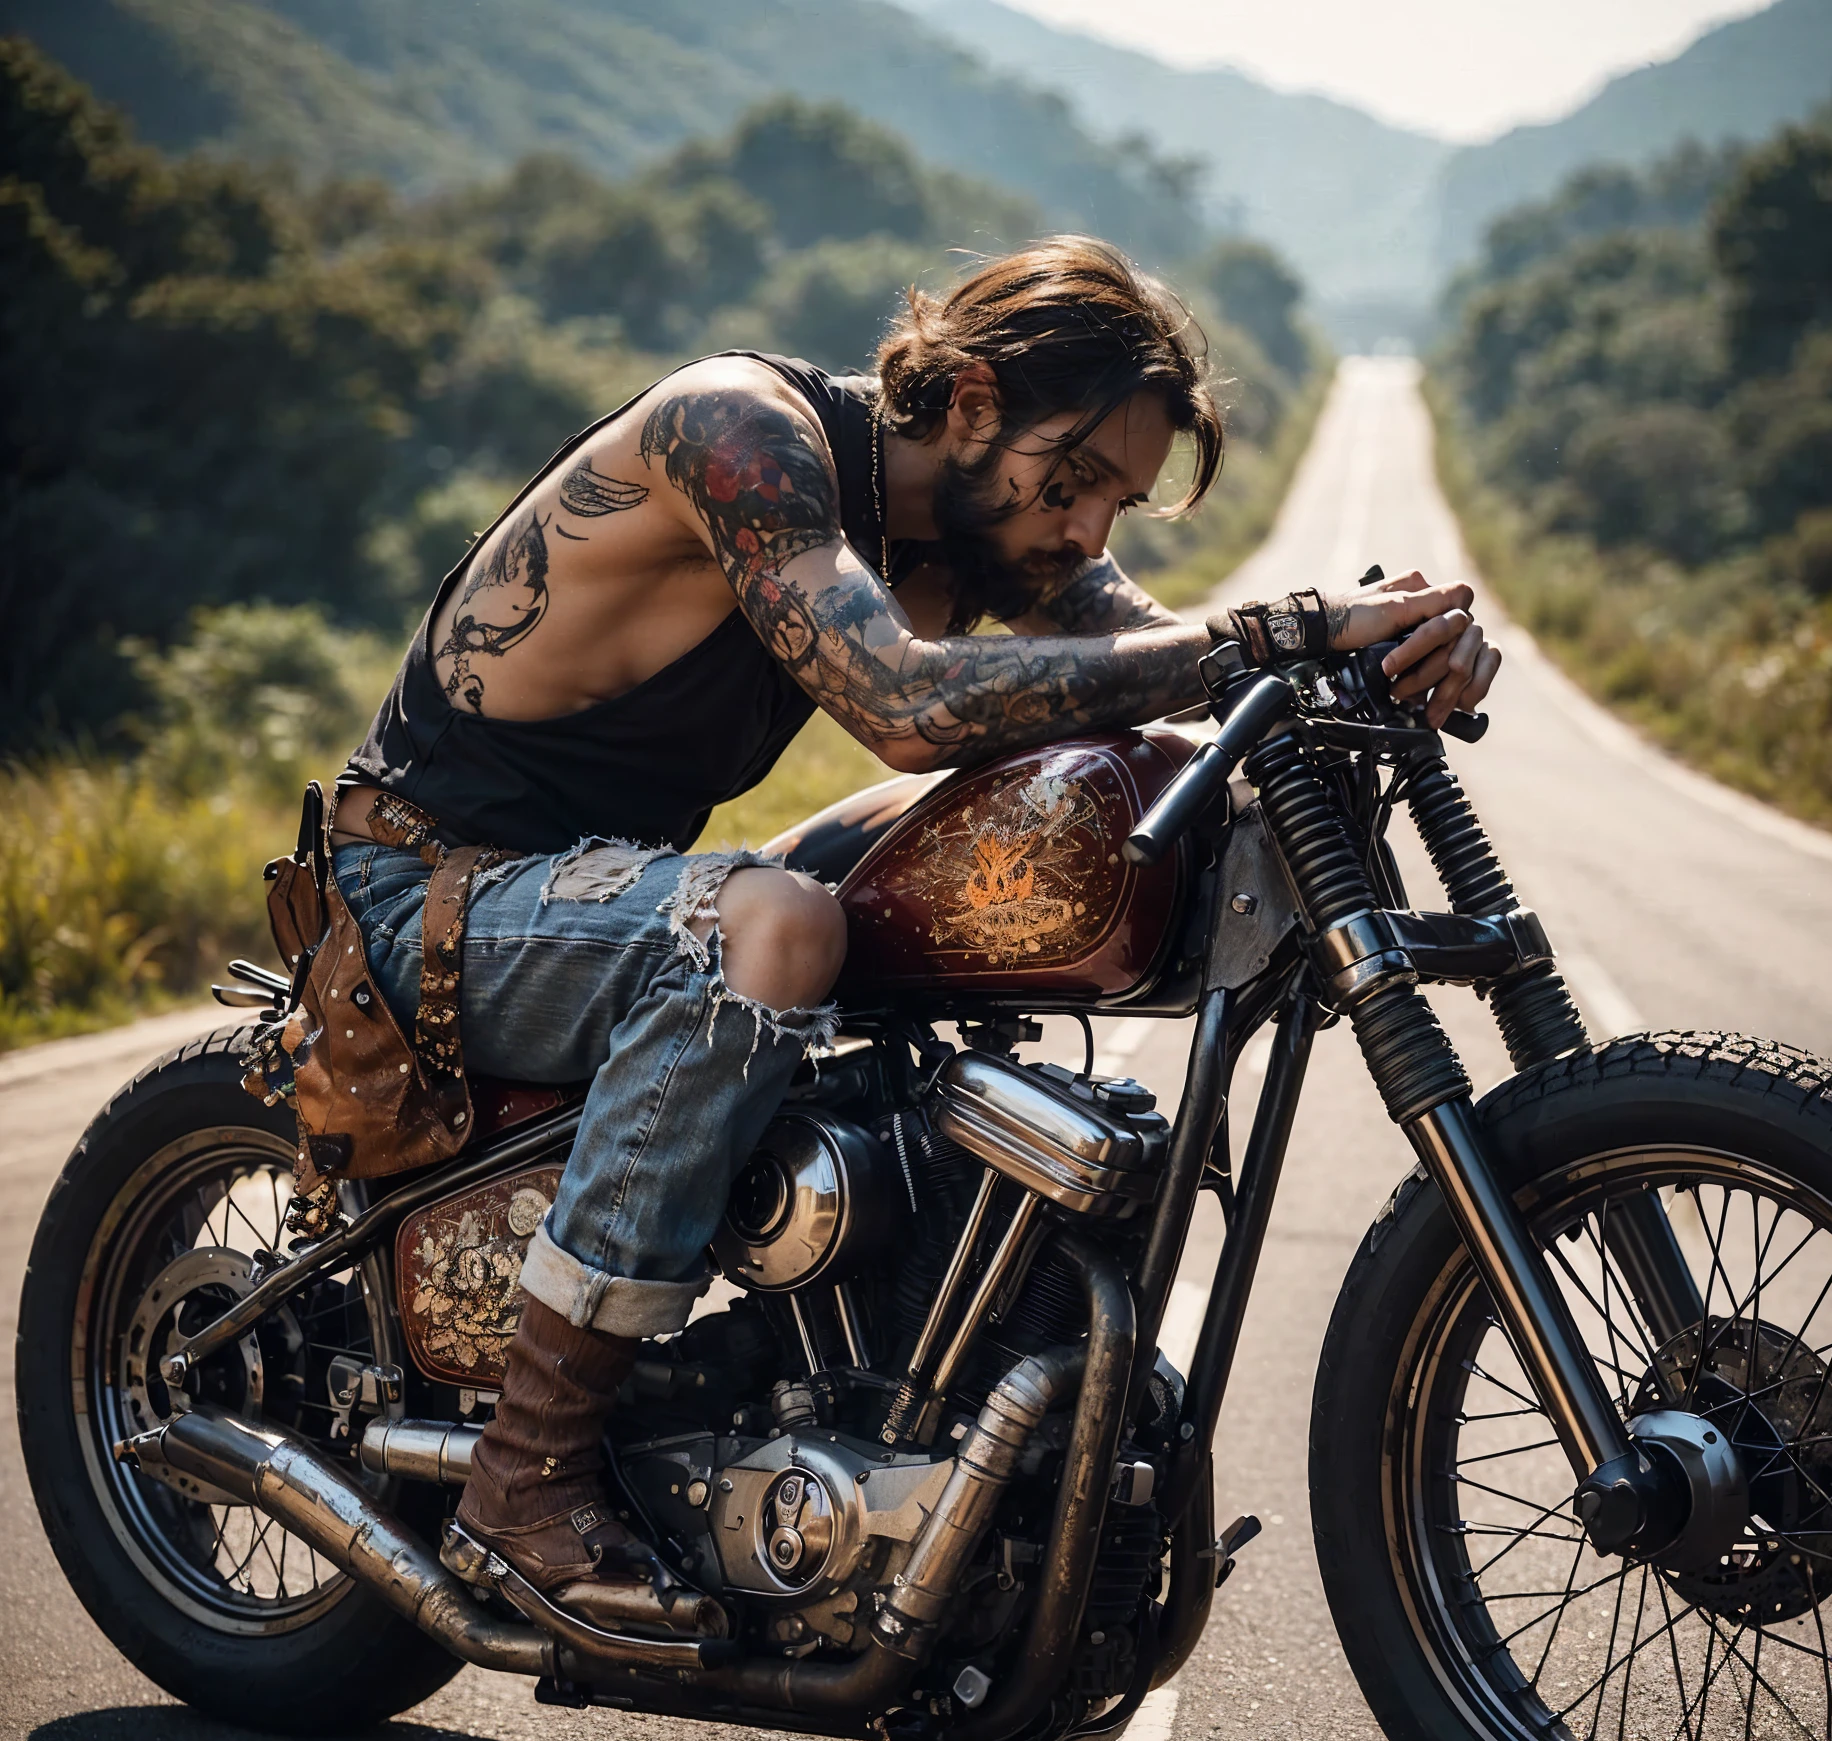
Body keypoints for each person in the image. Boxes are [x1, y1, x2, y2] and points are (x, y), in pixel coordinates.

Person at [330, 235, 1500, 1604]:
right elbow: (906, 706)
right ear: (968, 403)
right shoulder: (739, 433)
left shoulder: (988, 524)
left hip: (603, 892)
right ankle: (523, 1471)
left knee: (1028, 846)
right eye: (1073, 484)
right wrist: (1271, 632)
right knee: (769, 931)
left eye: (1113, 505)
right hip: (430, 896)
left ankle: (900, 1360)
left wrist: (1371, 651)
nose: (1082, 531)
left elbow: (1164, 663)